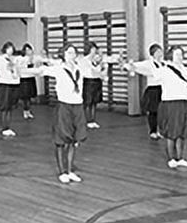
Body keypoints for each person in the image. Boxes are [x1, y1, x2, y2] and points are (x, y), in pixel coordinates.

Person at [126, 45, 187, 168]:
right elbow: (147, 71)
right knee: (172, 132)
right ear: (171, 56)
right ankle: (171, 159)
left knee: (182, 132)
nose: (180, 57)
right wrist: (131, 67)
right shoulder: (165, 69)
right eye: (177, 54)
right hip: (171, 104)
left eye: (181, 54)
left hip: (185, 103)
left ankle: (180, 158)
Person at [35, 43, 89, 183]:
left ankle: (70, 170)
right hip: (64, 106)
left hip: (77, 105)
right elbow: (40, 71)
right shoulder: (59, 69)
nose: (72, 55)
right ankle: (62, 171)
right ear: (63, 55)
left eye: (73, 52)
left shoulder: (79, 68)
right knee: (61, 140)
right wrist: (20, 70)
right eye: (69, 52)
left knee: (72, 140)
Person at [0, 42, 26, 137]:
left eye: (12, 48)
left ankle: (8, 126)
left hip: (14, 83)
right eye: (9, 48)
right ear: (5, 49)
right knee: (5, 107)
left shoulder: (16, 59)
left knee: (10, 107)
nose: (11, 50)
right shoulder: (0, 58)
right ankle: (4, 127)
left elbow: (25, 62)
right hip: (5, 84)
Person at [78, 42, 119, 129]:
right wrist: (100, 69)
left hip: (97, 81)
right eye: (93, 49)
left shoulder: (95, 59)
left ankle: (93, 120)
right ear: (89, 50)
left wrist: (118, 57)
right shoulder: (84, 60)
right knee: (88, 102)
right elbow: (92, 71)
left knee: (94, 102)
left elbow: (108, 60)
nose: (95, 51)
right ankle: (87, 120)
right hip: (88, 81)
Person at [139, 44, 165, 140]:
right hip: (153, 90)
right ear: (153, 54)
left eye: (160, 51)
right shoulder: (148, 63)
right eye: (157, 52)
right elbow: (136, 66)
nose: (160, 53)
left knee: (161, 112)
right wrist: (127, 65)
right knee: (153, 111)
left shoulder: (164, 63)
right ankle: (153, 131)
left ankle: (160, 130)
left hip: (162, 89)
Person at [18, 43, 40, 120]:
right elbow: (20, 67)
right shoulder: (21, 58)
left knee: (30, 96)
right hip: (24, 79)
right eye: (26, 50)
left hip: (31, 78)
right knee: (25, 96)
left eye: (29, 50)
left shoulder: (34, 58)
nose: (28, 51)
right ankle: (25, 111)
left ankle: (28, 111)